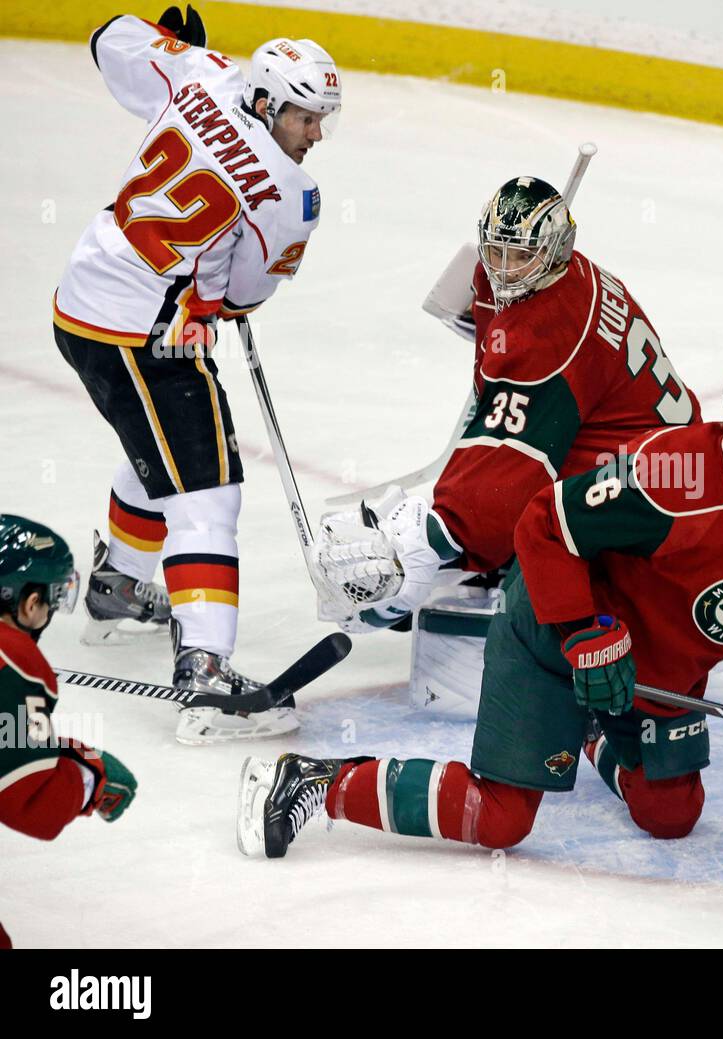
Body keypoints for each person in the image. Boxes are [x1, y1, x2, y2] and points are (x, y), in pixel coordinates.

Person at [239, 349, 723, 858]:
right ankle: (316, 781)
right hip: (555, 636)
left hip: (649, 669)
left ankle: (594, 729)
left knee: (671, 816)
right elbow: (544, 522)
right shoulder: (664, 474)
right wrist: (581, 632)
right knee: (500, 820)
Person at [52, 6, 342, 743]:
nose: (316, 136)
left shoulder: (204, 77)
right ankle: (205, 674)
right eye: (306, 118)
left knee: (163, 449)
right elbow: (243, 295)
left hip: (83, 301)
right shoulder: (292, 196)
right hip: (148, 333)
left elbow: (109, 38)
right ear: (270, 103)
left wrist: (181, 48)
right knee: (208, 490)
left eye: (323, 121)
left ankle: (117, 586)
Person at [312, 175, 701, 718]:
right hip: (662, 465)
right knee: (474, 528)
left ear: (556, 247)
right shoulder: (554, 278)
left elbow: (501, 492)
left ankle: (568, 632)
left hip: (653, 513)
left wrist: (424, 546)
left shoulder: (551, 336)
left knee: (483, 537)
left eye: (519, 255)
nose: (503, 268)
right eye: (496, 249)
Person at [0, 517, 137, 946]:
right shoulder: (18, 661)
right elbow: (29, 803)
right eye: (52, 600)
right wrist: (87, 777)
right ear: (29, 602)